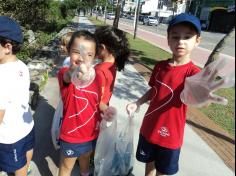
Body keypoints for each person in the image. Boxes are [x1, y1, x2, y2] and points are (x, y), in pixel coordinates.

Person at [126, 13, 203, 176]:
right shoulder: (160, 66)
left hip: (171, 135)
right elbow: (154, 89)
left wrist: (205, 93)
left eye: (187, 37)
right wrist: (138, 102)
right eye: (175, 37)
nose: (181, 42)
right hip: (149, 128)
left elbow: (200, 98)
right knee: (149, 166)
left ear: (197, 41)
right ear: (168, 39)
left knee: (163, 172)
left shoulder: (194, 73)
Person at [57, 30, 101, 176]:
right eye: (77, 51)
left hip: (91, 132)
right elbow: (68, 76)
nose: (82, 57)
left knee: (85, 161)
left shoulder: (97, 77)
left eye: (88, 54)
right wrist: (73, 71)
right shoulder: (64, 73)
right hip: (71, 135)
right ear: (68, 51)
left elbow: (96, 102)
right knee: (66, 167)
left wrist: (106, 110)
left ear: (94, 57)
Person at [0, 16, 35, 176]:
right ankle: (27, 170)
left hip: (10, 135)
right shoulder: (21, 66)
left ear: (7, 47)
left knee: (17, 163)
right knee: (27, 150)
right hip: (26, 125)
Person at [94, 26, 130, 113]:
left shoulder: (99, 71)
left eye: (94, 45)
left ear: (102, 48)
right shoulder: (112, 65)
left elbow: (96, 100)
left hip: (94, 114)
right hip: (102, 113)